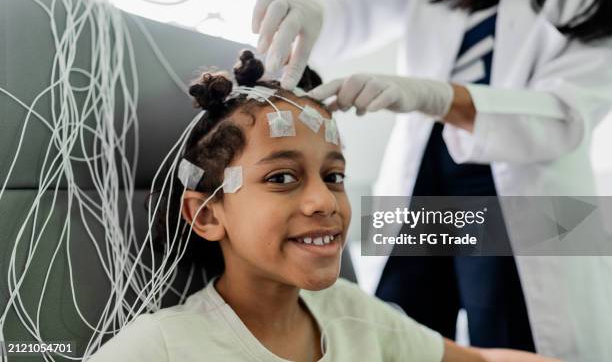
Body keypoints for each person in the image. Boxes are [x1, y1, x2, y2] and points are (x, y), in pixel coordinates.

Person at [250, 0, 612, 361]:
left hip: (527, 198)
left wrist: (439, 97)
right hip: (421, 178)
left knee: (509, 335)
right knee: (397, 331)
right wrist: (311, 8)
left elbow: (567, 114)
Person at [89, 51, 560, 362]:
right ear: (209, 215)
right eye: (281, 178)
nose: (323, 201)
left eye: (334, 176)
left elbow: (479, 360)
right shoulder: (161, 348)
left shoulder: (353, 314)